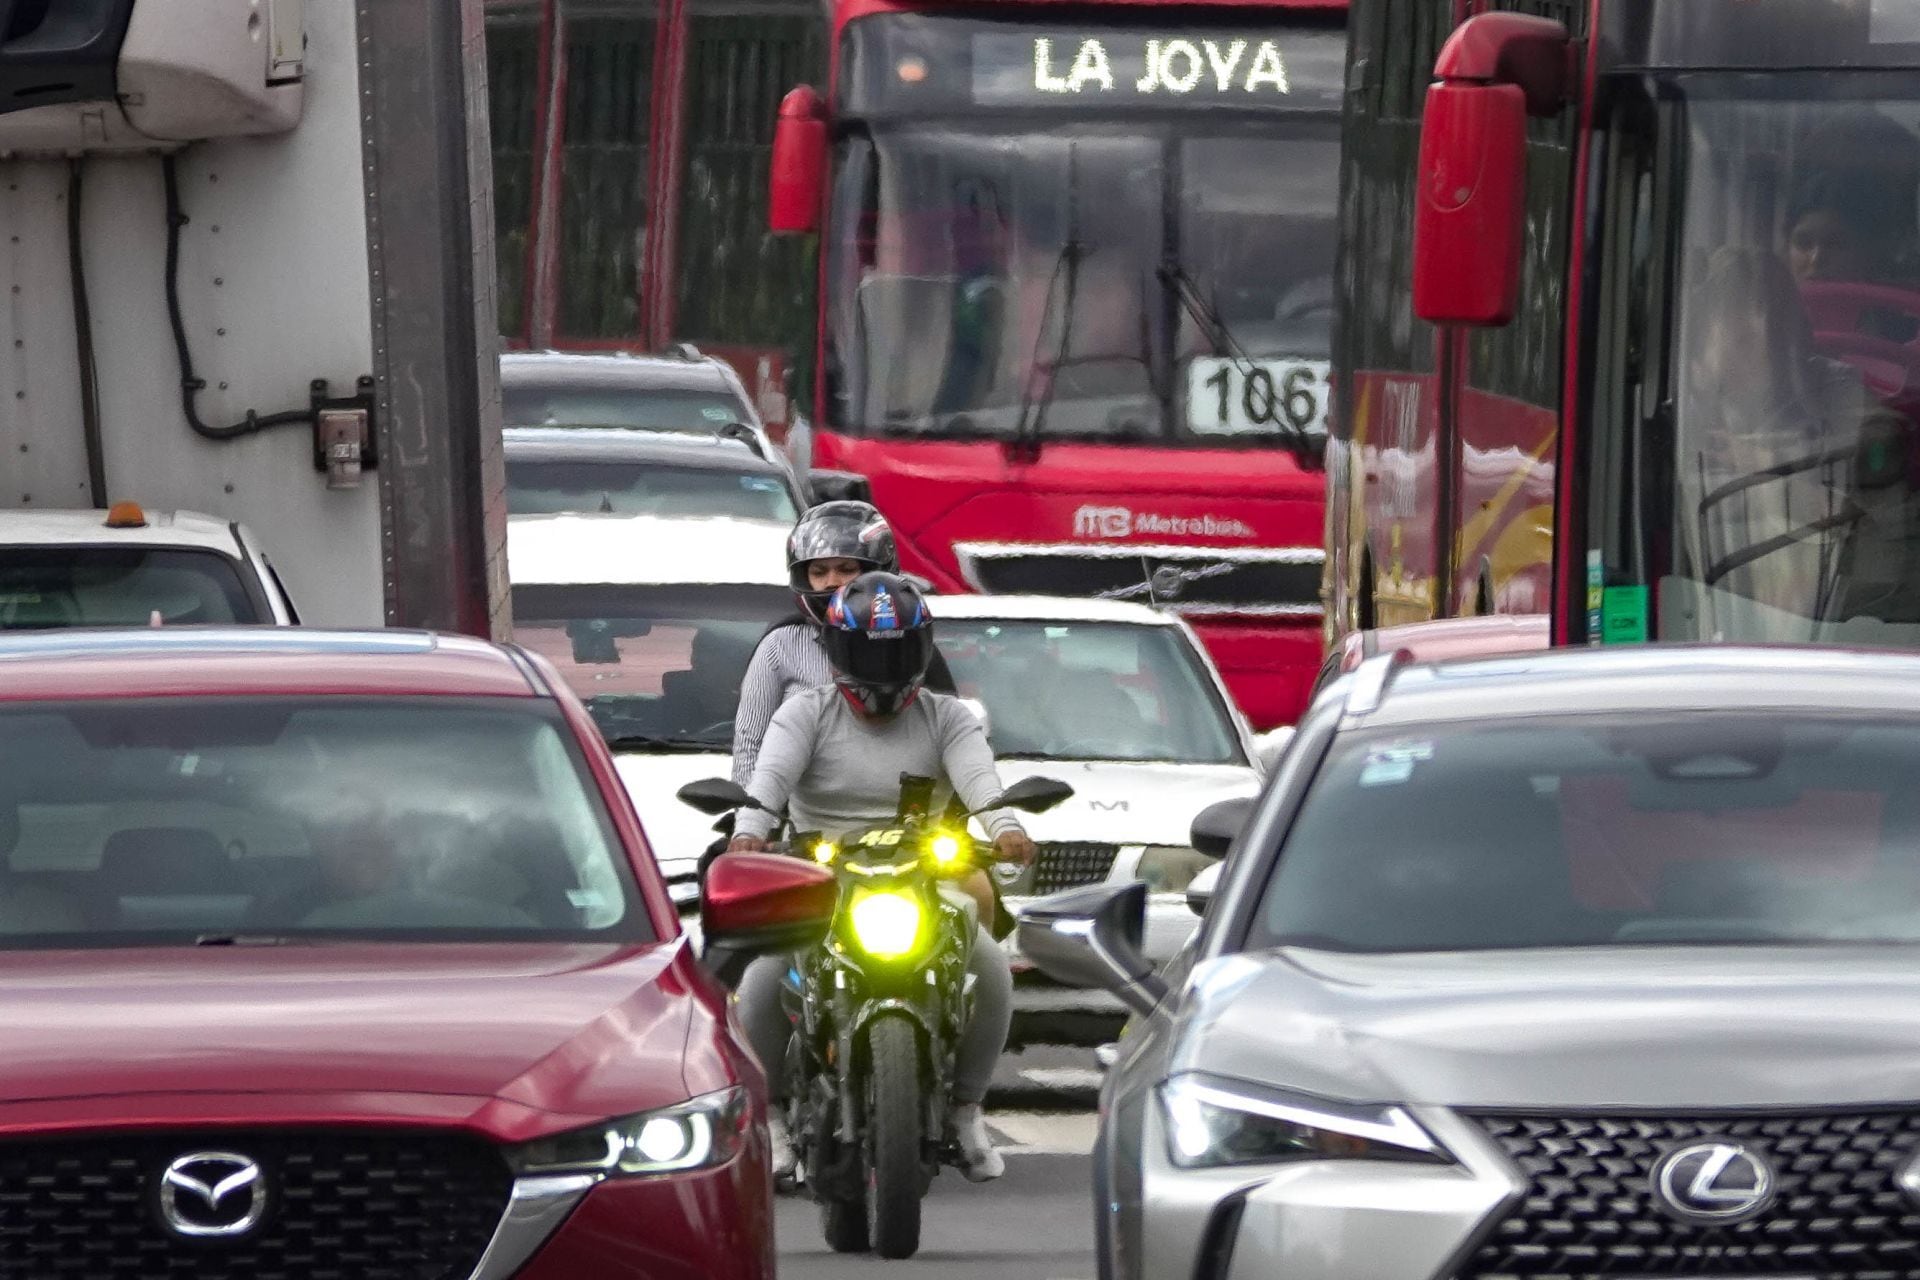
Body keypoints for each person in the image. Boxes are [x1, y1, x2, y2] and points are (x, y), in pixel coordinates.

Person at [728, 572, 1034, 1183]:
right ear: (838, 652)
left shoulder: (947, 717)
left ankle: (968, 1109)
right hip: (822, 878)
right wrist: (749, 830)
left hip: (921, 876)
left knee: (991, 965)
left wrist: (1004, 826)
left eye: (896, 653)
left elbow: (980, 782)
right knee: (762, 978)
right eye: (868, 652)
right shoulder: (803, 712)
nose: (883, 667)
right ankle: (775, 1120)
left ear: (922, 652)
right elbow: (767, 787)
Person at [730, 500, 953, 785]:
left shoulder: (911, 640)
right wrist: (757, 820)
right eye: (819, 572)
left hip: (903, 816)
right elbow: (750, 745)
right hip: (802, 819)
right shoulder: (780, 645)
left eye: (846, 569)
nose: (832, 582)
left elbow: (950, 736)